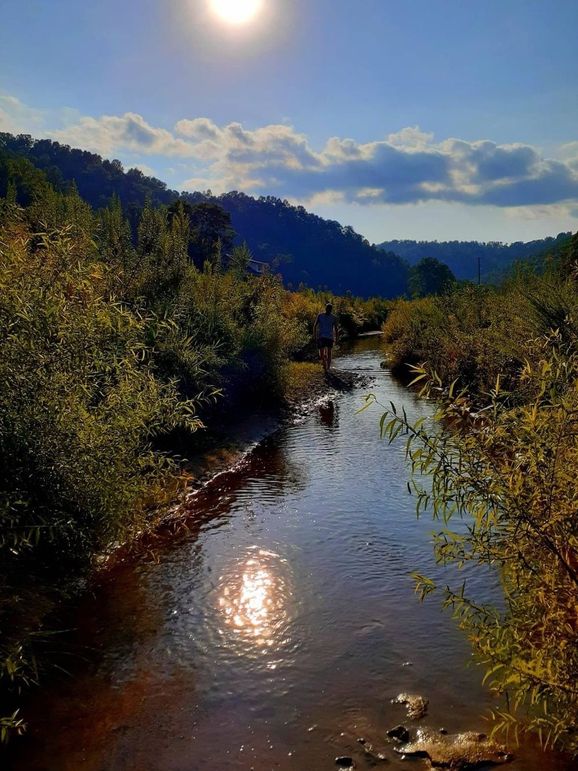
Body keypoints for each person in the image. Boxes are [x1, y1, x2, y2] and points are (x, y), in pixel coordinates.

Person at [313, 302, 338, 371]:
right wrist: (314, 335)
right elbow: (315, 325)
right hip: (321, 337)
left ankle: (328, 367)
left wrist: (337, 338)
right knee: (321, 354)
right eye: (327, 308)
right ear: (325, 308)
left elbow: (336, 329)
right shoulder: (320, 316)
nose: (328, 310)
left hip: (330, 337)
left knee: (329, 352)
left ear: (331, 309)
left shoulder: (333, 317)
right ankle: (324, 364)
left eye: (330, 309)